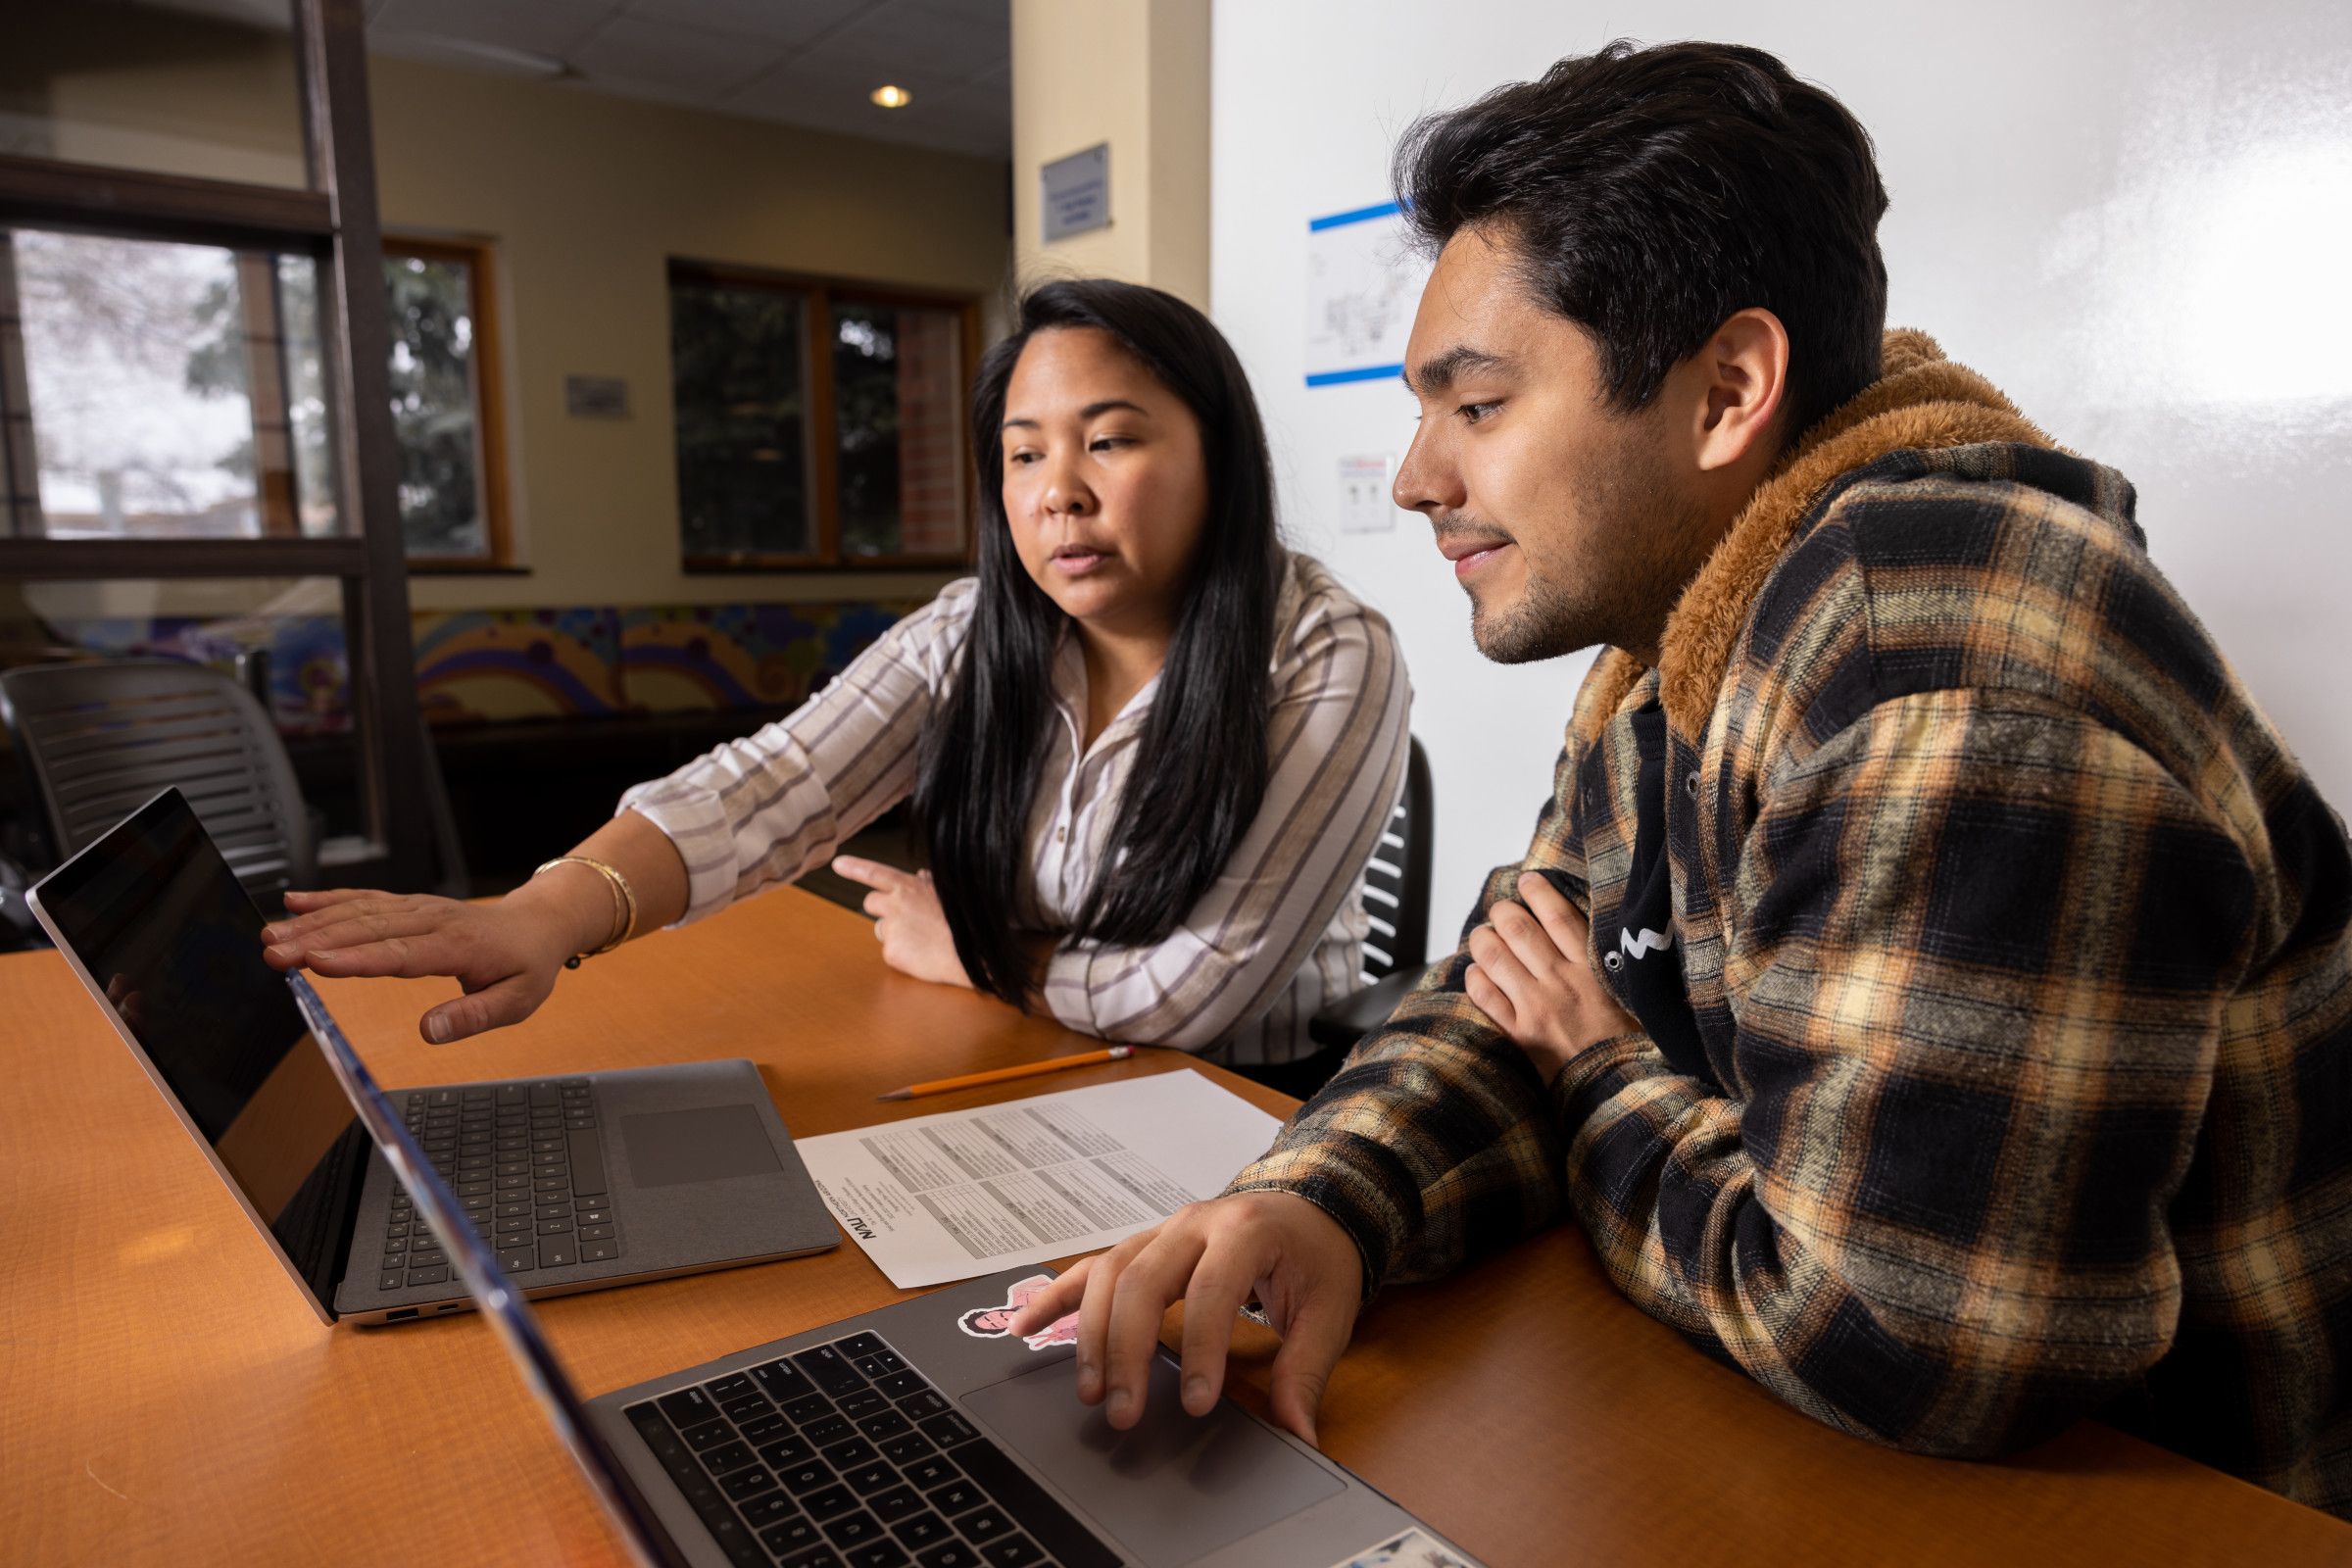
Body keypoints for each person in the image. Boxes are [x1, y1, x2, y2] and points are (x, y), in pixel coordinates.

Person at [1007, 41, 2352, 1516]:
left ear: (1726, 391)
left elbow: (1908, 1345)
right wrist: (1319, 1201)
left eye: (1477, 405)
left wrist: (1599, 1067)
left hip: (2175, 1513)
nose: (1413, 477)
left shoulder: (1941, 674)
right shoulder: (1676, 640)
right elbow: (1504, 989)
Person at [261, 279, 1411, 1070]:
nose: (1057, 488)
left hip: (1252, 1116)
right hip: (1036, 1066)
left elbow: (1192, 993)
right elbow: (771, 786)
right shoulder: (974, 630)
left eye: (1108, 440)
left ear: (1219, 454)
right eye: (1022, 454)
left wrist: (968, 956)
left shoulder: (1327, 650)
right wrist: (541, 913)